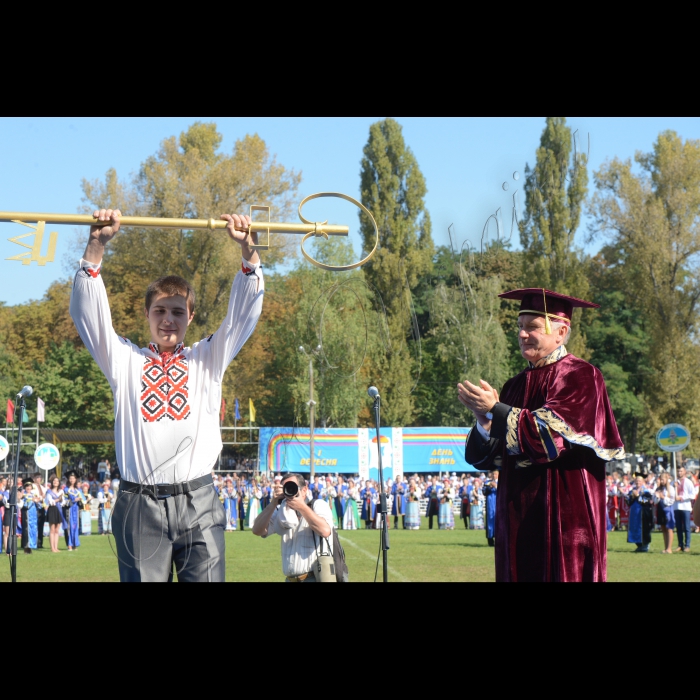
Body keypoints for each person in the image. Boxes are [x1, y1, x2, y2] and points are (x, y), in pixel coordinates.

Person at [70, 208, 264, 582]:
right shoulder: (125, 360)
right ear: (146, 313)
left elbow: (243, 315)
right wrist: (96, 247)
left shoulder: (208, 357)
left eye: (177, 311)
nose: (168, 319)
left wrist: (248, 252)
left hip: (199, 503)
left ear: (190, 317)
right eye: (159, 310)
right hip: (139, 505)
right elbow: (87, 317)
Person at [459, 288, 624, 582]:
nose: (522, 335)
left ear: (560, 332)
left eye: (532, 327)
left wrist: (498, 411)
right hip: (517, 521)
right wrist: (484, 422)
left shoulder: (581, 376)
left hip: (565, 521)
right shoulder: (514, 385)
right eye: (520, 327)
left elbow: (548, 440)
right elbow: (489, 458)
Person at [251, 473, 333, 582]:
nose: (289, 491)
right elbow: (257, 530)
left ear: (304, 490)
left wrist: (301, 507)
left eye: (293, 487)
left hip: (313, 577)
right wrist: (273, 503)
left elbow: (325, 531)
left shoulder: (318, 505)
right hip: (290, 579)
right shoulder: (282, 511)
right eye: (286, 488)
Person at [627, 476, 654, 552]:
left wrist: (638, 496)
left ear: (643, 481)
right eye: (636, 480)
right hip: (634, 514)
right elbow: (628, 502)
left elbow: (647, 502)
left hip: (643, 514)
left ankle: (645, 545)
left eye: (639, 480)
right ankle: (639, 545)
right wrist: (631, 496)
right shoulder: (632, 490)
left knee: (643, 530)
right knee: (634, 528)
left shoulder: (646, 491)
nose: (638, 482)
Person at [654, 472, 676, 554]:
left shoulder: (670, 488)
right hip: (660, 509)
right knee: (663, 528)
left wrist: (663, 497)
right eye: (661, 479)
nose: (661, 481)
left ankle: (669, 548)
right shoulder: (658, 488)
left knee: (669, 528)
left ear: (666, 479)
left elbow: (672, 500)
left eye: (663, 479)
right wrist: (657, 497)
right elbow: (655, 501)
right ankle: (665, 547)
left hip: (668, 509)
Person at [674, 466, 694, 552]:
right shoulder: (674, 482)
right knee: (678, 527)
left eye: (681, 471)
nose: (679, 473)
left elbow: (692, 495)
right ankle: (680, 545)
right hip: (676, 507)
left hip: (685, 507)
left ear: (685, 472)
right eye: (678, 471)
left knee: (686, 527)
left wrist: (682, 497)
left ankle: (687, 545)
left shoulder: (689, 482)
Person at [45, 476, 66, 553]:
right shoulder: (49, 491)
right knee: (52, 529)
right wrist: (58, 499)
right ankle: (52, 548)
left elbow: (63, 502)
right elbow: (50, 502)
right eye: (54, 481)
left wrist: (60, 501)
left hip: (59, 510)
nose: (55, 482)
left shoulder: (61, 491)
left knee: (57, 530)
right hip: (52, 510)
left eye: (57, 481)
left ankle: (56, 547)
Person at [64, 472, 82, 551]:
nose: (72, 480)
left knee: (75, 527)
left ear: (76, 479)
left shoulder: (77, 490)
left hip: (76, 509)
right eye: (70, 478)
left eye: (73, 478)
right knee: (70, 526)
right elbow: (65, 501)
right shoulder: (66, 489)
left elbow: (82, 499)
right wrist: (74, 500)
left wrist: (81, 500)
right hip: (70, 509)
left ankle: (74, 544)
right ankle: (69, 545)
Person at [32, 473, 47, 549]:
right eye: (37, 477)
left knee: (41, 526)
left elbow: (45, 497)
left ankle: (40, 543)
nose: (39, 479)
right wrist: (41, 497)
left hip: (42, 508)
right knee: (35, 526)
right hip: (35, 508)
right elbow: (34, 497)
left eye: (40, 477)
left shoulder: (42, 487)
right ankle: (33, 543)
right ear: (34, 478)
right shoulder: (32, 486)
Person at [483, 474, 497, 546]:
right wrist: (489, 487)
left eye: (496, 474)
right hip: (490, 506)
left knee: (498, 522)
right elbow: (484, 492)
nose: (495, 476)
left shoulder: (501, 482)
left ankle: (498, 540)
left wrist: (496, 486)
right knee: (490, 523)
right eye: (494, 474)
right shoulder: (487, 483)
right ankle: (490, 540)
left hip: (498, 505)